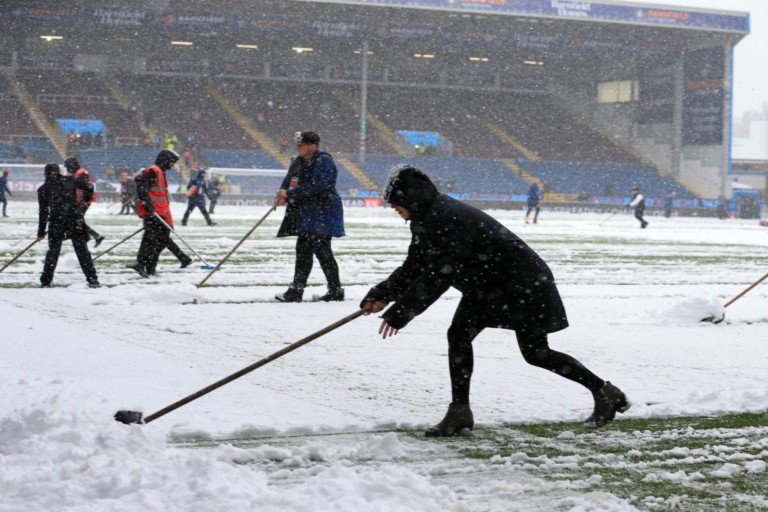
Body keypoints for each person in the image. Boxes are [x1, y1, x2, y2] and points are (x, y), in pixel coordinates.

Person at [360, 165, 628, 436]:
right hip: (489, 287)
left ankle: (602, 390)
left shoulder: (448, 218)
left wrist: (401, 312)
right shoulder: (426, 219)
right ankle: (460, 411)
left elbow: (441, 274)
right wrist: (381, 294)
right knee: (463, 337)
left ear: (412, 199)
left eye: (396, 203)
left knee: (535, 353)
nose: (393, 208)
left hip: (522, 286)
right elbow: (415, 265)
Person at [274, 131, 345, 302]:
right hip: (307, 212)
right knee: (304, 250)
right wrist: (282, 192)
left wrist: (290, 194)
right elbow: (289, 178)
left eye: (303, 144)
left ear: (314, 146)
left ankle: (332, 290)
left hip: (323, 211)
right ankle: (298, 290)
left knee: (322, 250)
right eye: (298, 144)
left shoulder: (324, 161)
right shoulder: (298, 161)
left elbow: (318, 185)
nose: (299, 147)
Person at [129, 149, 191, 278]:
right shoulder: (153, 170)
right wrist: (147, 204)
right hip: (153, 213)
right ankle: (142, 264)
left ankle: (149, 266)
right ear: (166, 160)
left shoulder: (160, 172)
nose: (172, 165)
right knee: (150, 239)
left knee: (160, 240)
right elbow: (142, 189)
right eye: (172, 162)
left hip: (161, 212)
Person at [37, 163, 100, 288]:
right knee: (82, 251)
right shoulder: (71, 180)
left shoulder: (43, 188)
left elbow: (43, 212)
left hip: (57, 221)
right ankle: (93, 279)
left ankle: (46, 281)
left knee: (53, 251)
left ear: (45, 174)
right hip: (75, 219)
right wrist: (81, 207)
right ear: (60, 171)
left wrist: (41, 232)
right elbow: (89, 188)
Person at [64, 157, 105, 247]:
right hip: (80, 200)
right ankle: (94, 236)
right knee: (78, 219)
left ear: (72, 165)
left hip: (83, 200)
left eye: (68, 166)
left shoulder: (81, 173)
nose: (67, 169)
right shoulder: (77, 173)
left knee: (77, 219)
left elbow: (85, 187)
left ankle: (85, 237)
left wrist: (83, 200)